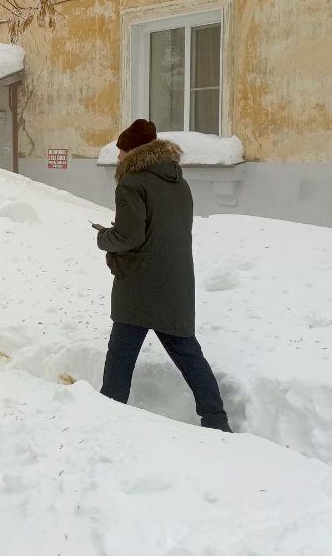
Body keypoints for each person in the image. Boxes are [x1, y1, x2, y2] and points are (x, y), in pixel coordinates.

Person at [93, 119, 232, 433]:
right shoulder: (178, 182)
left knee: (121, 355)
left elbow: (129, 236)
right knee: (187, 353)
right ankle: (216, 419)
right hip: (175, 283)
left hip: (140, 284)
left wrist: (104, 238)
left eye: (122, 151)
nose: (117, 158)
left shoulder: (132, 183)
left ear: (134, 152)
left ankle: (105, 415)